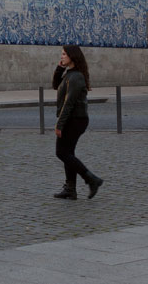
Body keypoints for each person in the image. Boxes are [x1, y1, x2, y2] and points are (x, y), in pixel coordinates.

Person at [52, 45, 103, 200]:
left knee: (61, 152)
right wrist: (59, 69)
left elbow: (69, 103)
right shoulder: (70, 74)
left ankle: (91, 179)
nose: (61, 57)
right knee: (68, 153)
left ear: (72, 57)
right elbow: (56, 85)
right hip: (73, 119)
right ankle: (70, 189)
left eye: (64, 54)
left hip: (75, 120)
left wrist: (59, 125)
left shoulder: (76, 77)